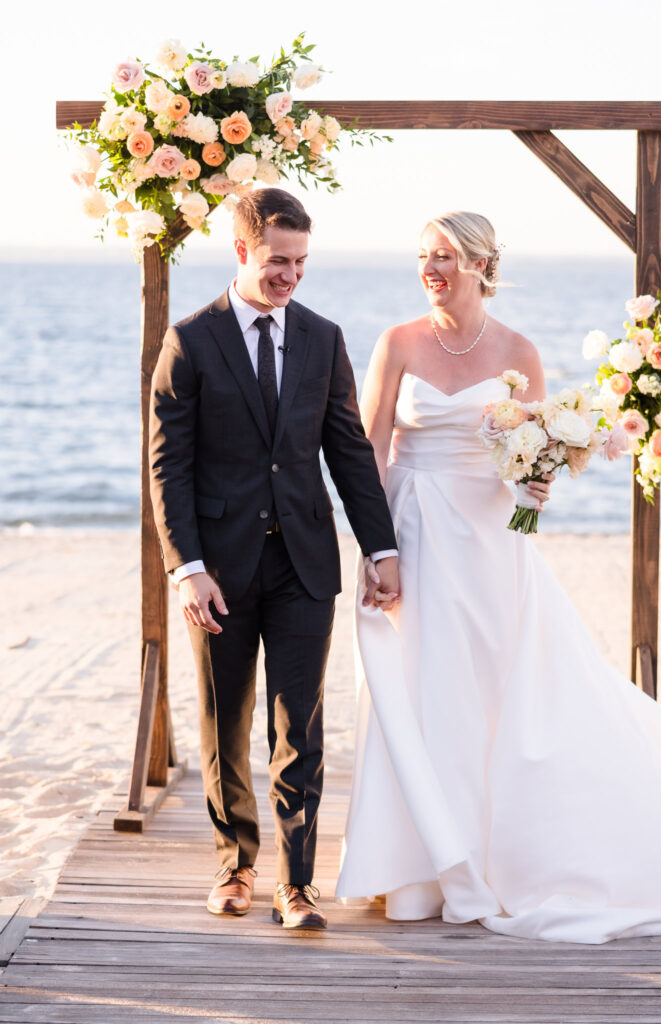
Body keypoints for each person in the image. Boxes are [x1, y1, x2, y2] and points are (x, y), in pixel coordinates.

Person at [335, 211, 661, 943]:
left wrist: (534, 490)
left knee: (489, 693)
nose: (430, 269)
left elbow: (532, 463)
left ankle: (491, 857)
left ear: (480, 264)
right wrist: (376, 548)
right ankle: (416, 872)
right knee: (413, 686)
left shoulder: (518, 351)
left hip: (489, 544)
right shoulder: (396, 342)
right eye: (424, 256)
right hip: (408, 533)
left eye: (445, 257)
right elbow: (369, 449)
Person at [149, 188, 399, 930]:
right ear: (241, 250)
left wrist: (380, 546)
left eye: (300, 262)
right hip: (217, 572)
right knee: (225, 723)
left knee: (300, 728)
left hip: (304, 565)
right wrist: (187, 568)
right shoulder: (190, 341)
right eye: (277, 261)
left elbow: (348, 451)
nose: (290, 275)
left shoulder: (323, 337)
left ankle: (297, 882)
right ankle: (235, 864)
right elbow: (167, 467)